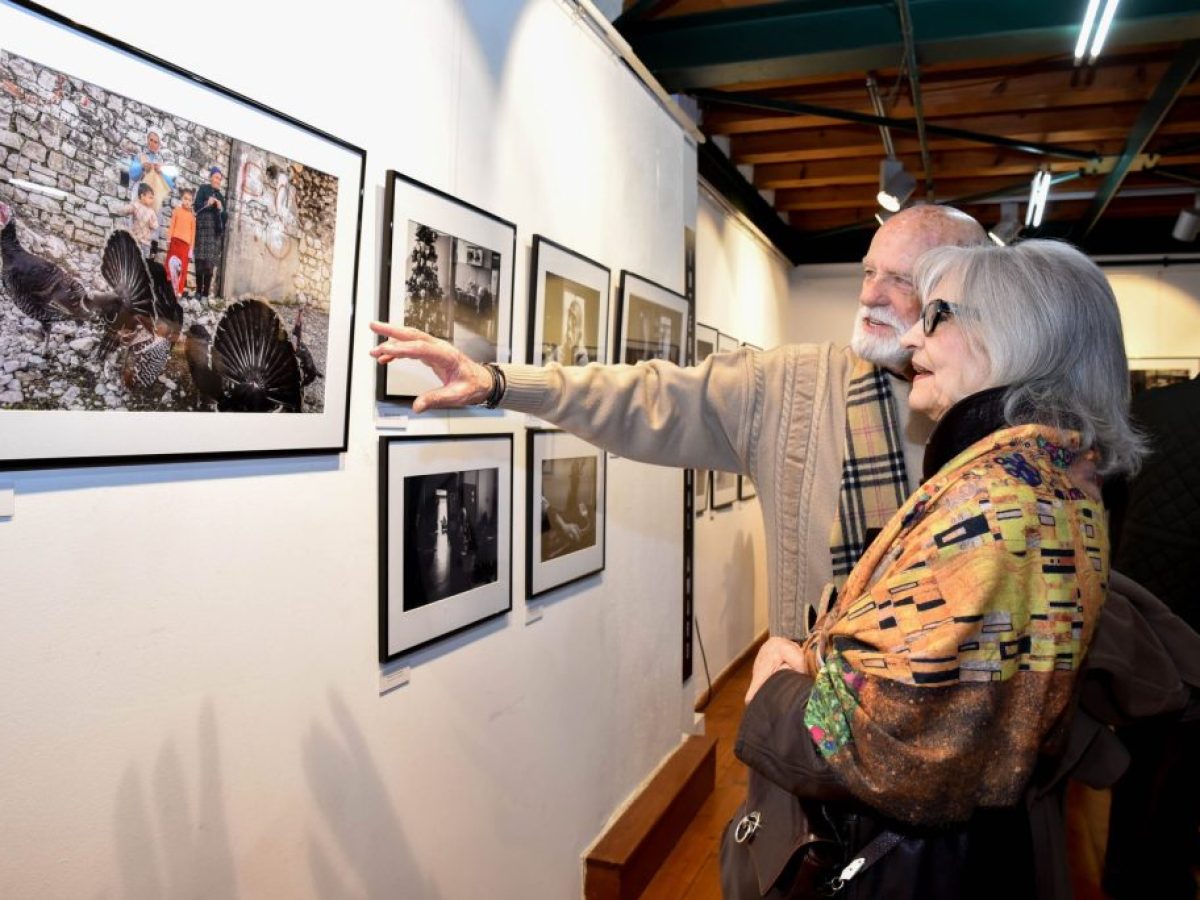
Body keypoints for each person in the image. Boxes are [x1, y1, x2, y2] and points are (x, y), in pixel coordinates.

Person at [722, 239, 1146, 899]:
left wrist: (778, 684)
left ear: (1012, 334)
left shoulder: (995, 505)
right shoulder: (1059, 478)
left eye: (937, 315)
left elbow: (880, 747)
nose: (911, 337)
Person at [371, 205, 988, 639]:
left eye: (899, 279)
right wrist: (498, 382)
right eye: (868, 271)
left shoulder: (1011, 415)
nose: (870, 295)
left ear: (966, 293)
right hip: (810, 738)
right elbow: (645, 396)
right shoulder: (795, 386)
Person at [1101, 373, 1200, 899]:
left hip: (1145, 615)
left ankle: (1125, 876)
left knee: (1140, 762)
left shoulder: (1150, 409)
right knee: (1183, 772)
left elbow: (1110, 501)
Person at [193, 166, 227, 301]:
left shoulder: (221, 197)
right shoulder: (203, 189)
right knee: (199, 261)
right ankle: (198, 291)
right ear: (211, 177)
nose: (218, 181)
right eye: (216, 177)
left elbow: (225, 217)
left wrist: (220, 208)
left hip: (214, 233)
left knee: (209, 264)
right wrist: (207, 202)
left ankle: (205, 293)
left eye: (220, 179)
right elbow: (196, 207)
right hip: (202, 230)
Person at [128, 129, 174, 211]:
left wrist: (161, 171)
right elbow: (133, 176)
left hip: (154, 197)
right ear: (147, 140)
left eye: (155, 142)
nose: (152, 143)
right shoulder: (140, 156)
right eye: (151, 140)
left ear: (159, 144)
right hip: (139, 194)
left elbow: (169, 185)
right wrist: (142, 167)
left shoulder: (161, 162)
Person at [165, 186, 196, 297]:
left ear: (192, 202)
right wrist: (168, 239)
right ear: (181, 199)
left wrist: (191, 249)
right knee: (169, 263)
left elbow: (193, 234)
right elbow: (172, 226)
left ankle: (179, 290)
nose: (187, 202)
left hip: (185, 246)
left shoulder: (192, 217)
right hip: (175, 241)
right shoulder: (177, 211)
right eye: (185, 199)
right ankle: (167, 286)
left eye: (189, 200)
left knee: (183, 268)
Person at [128, 182, 159, 257]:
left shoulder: (151, 212)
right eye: (150, 197)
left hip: (146, 243)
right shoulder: (136, 206)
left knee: (144, 260)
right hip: (135, 240)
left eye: (152, 198)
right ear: (142, 196)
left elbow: (156, 225)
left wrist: (152, 224)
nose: (152, 200)